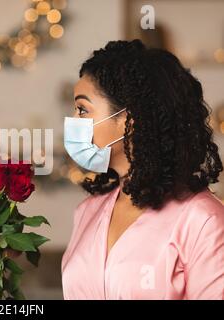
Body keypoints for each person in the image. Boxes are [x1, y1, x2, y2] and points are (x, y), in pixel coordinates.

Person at [62, 39, 224, 299]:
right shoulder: (87, 212)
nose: (72, 121)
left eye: (83, 109)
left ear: (130, 120)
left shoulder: (204, 221)